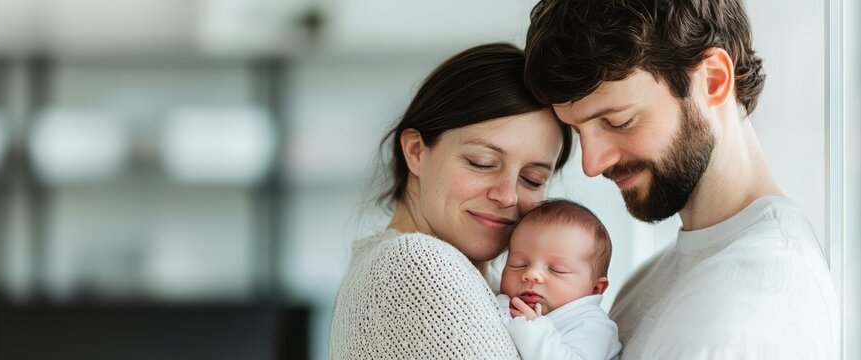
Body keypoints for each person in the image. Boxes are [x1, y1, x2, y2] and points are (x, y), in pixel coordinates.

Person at [524, 0, 838, 359]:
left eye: (619, 121)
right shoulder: (650, 278)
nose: (592, 165)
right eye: (579, 132)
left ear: (714, 80)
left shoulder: (750, 299)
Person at [329, 43, 572, 359]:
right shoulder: (416, 263)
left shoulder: (487, 284)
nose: (508, 195)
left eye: (533, 179)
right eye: (481, 162)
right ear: (416, 151)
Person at [497, 198, 622, 360]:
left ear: (595, 289)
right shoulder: (500, 302)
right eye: (518, 264)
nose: (532, 274)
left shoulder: (593, 325)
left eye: (557, 270)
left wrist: (532, 329)